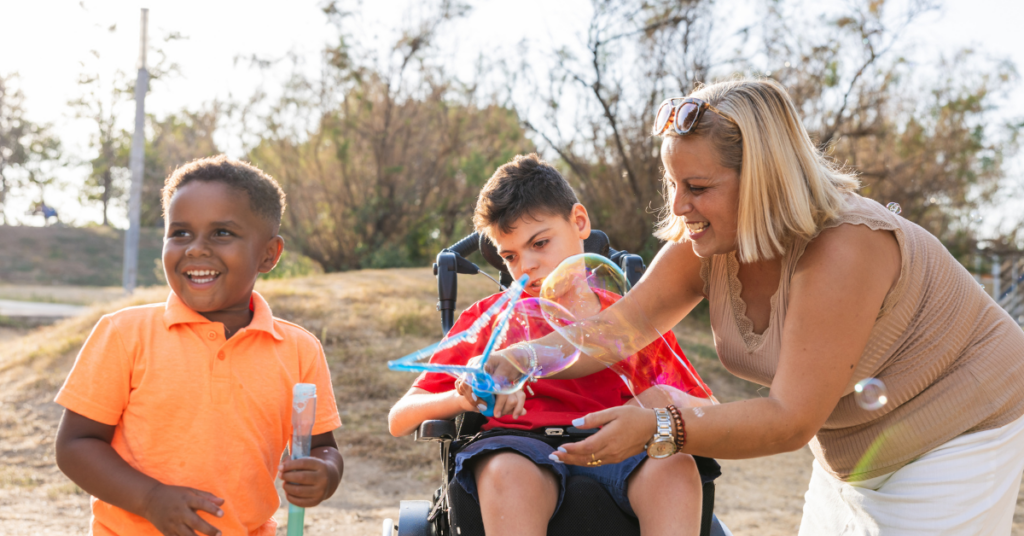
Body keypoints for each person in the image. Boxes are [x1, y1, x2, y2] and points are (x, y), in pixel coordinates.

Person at [490, 79, 1024, 534]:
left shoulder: (846, 248)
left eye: (697, 186)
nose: (678, 206)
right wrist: (520, 359)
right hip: (857, 446)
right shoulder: (707, 241)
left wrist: (657, 427)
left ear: (766, 181)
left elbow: (789, 420)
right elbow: (619, 328)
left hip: (959, 429)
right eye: (674, 184)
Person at [388, 154, 718, 536]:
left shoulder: (632, 321)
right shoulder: (492, 322)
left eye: (540, 243)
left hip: (624, 449)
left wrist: (663, 398)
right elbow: (400, 418)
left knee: (675, 467)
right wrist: (466, 397)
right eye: (509, 256)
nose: (525, 266)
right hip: (521, 448)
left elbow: (709, 410)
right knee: (506, 471)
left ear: (579, 222)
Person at [54, 155, 344, 536]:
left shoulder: (299, 350)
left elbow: (323, 446)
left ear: (269, 254)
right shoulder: (124, 334)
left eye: (222, 233)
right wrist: (149, 498)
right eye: (180, 233)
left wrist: (325, 472)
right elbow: (75, 445)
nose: (196, 249)